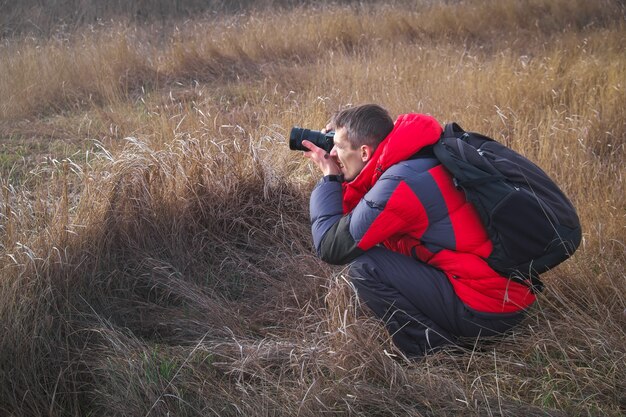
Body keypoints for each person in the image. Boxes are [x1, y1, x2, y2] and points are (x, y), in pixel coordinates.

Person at [302, 104, 535, 358]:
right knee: (371, 245)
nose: (332, 154)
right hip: (505, 294)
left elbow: (331, 246)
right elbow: (357, 216)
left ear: (366, 152)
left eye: (338, 147)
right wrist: (341, 169)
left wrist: (330, 179)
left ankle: (436, 353)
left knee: (365, 267)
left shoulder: (400, 184)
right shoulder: (415, 157)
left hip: (486, 309)